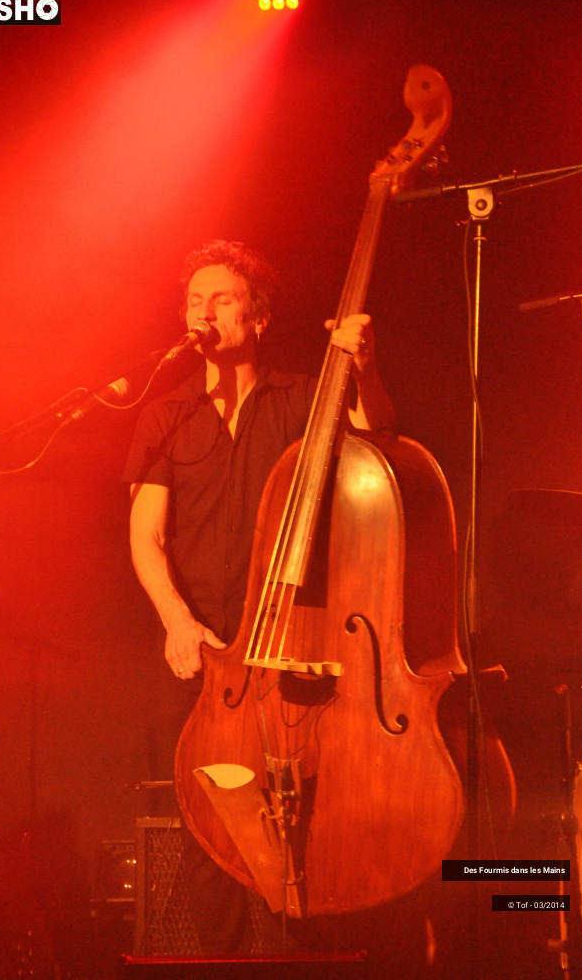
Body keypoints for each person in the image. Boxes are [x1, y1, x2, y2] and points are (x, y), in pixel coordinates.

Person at [123, 239, 395, 955]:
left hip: (289, 645)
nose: (203, 311)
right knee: (207, 829)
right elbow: (145, 538)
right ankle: (219, 965)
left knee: (293, 820)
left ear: (260, 315)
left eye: (222, 298)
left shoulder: (305, 396)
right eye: (194, 300)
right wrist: (176, 622)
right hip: (202, 654)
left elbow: (378, 438)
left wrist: (362, 371)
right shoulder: (164, 415)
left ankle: (297, 955)